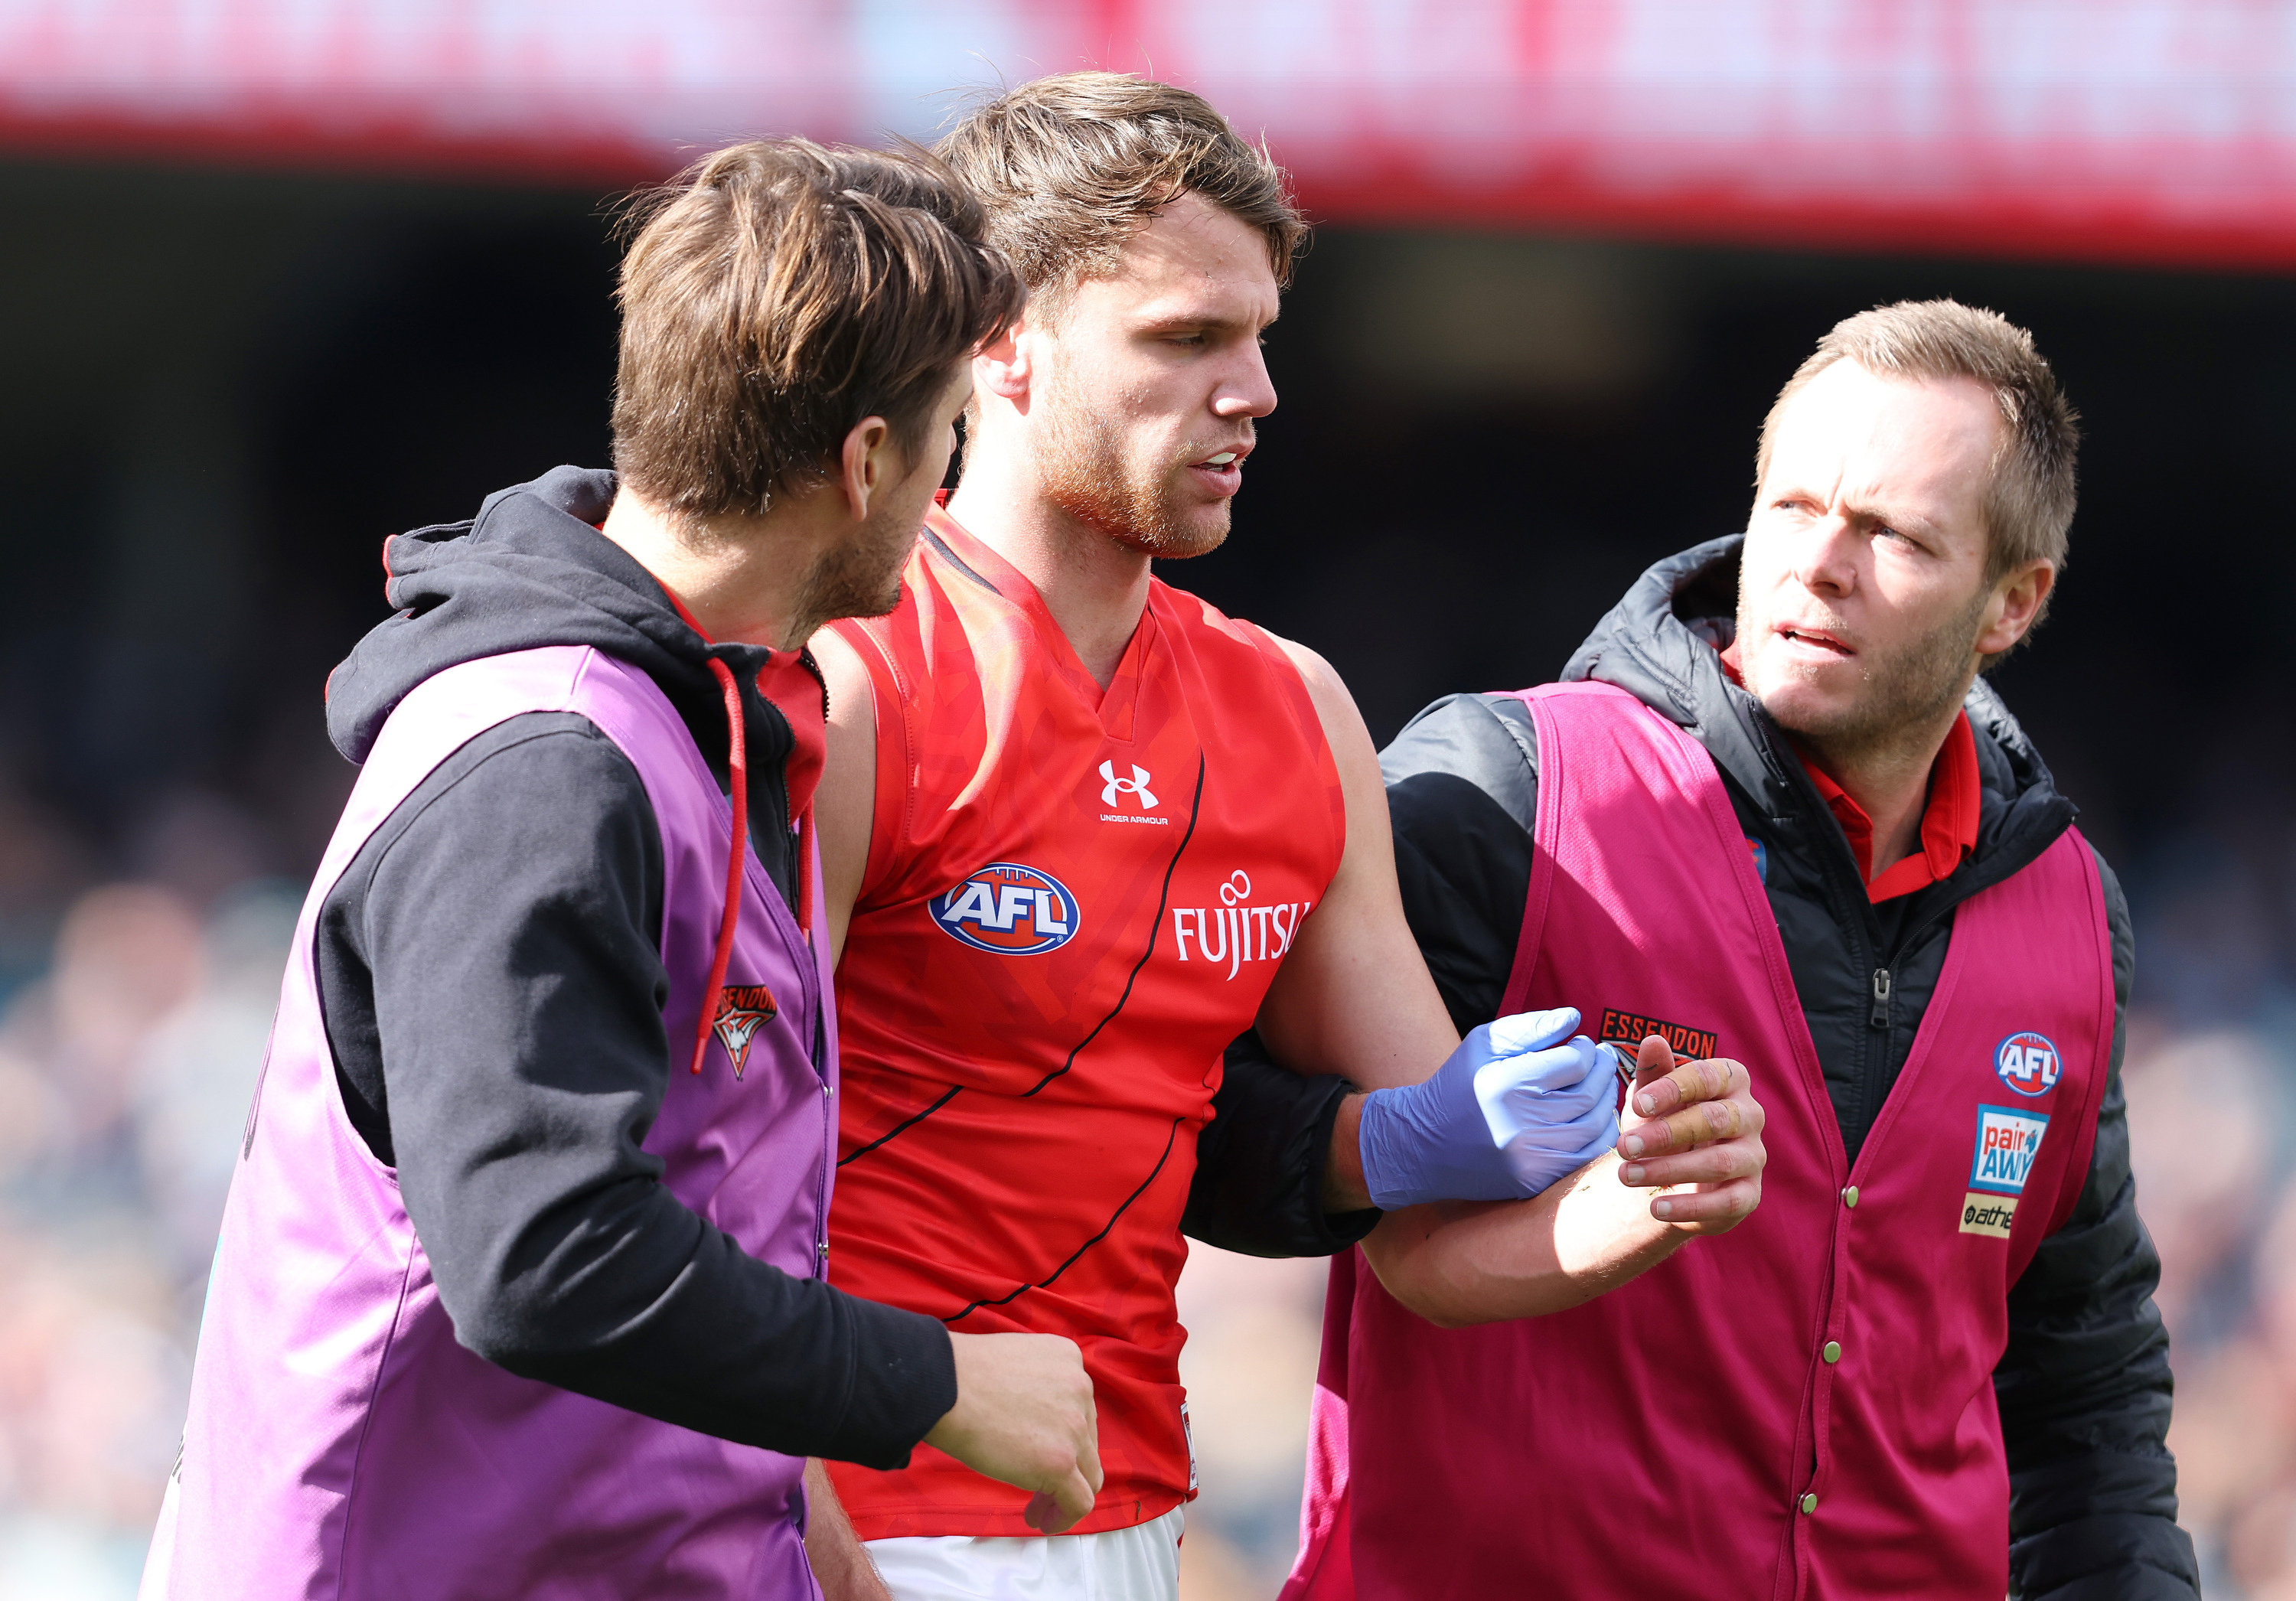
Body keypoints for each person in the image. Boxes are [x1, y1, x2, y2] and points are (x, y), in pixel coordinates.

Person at [798, 73, 1768, 1601]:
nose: (1252, 390)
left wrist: (1636, 1197)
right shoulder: (846, 673)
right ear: (999, 343)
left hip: (1125, 1524)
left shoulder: (1294, 711)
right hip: (845, 1514)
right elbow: (683, 1190)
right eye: (1185, 338)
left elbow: (1431, 1243)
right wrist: (813, 1550)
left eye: (1259, 338)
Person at [140, 140, 1105, 1601]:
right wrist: (936, 1384)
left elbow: (695, 1218)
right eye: (949, 433)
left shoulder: (711, 712)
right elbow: (544, 1257)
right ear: (865, 466)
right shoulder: (548, 757)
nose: (954, 481)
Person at [1280, 300, 2197, 1599]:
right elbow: (1226, 1139)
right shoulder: (1496, 791)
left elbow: (2082, 1393)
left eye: (1893, 536)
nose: (1821, 562)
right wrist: (1399, 1149)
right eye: (1794, 506)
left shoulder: (2070, 909)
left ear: (2014, 604)